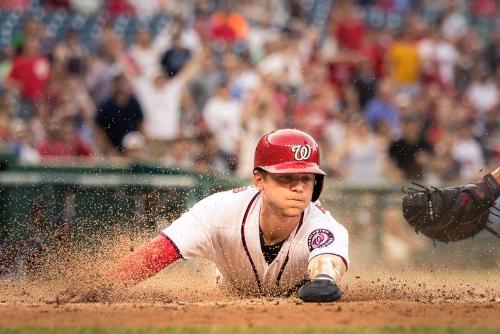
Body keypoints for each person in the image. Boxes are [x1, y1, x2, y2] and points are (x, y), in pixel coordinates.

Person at [52, 129, 349, 303]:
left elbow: (327, 266)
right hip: (231, 302)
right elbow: (160, 252)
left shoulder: (322, 224)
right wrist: (102, 285)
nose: (298, 187)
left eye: (307, 179)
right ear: (259, 179)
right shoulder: (219, 210)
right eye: (287, 178)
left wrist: (323, 280)